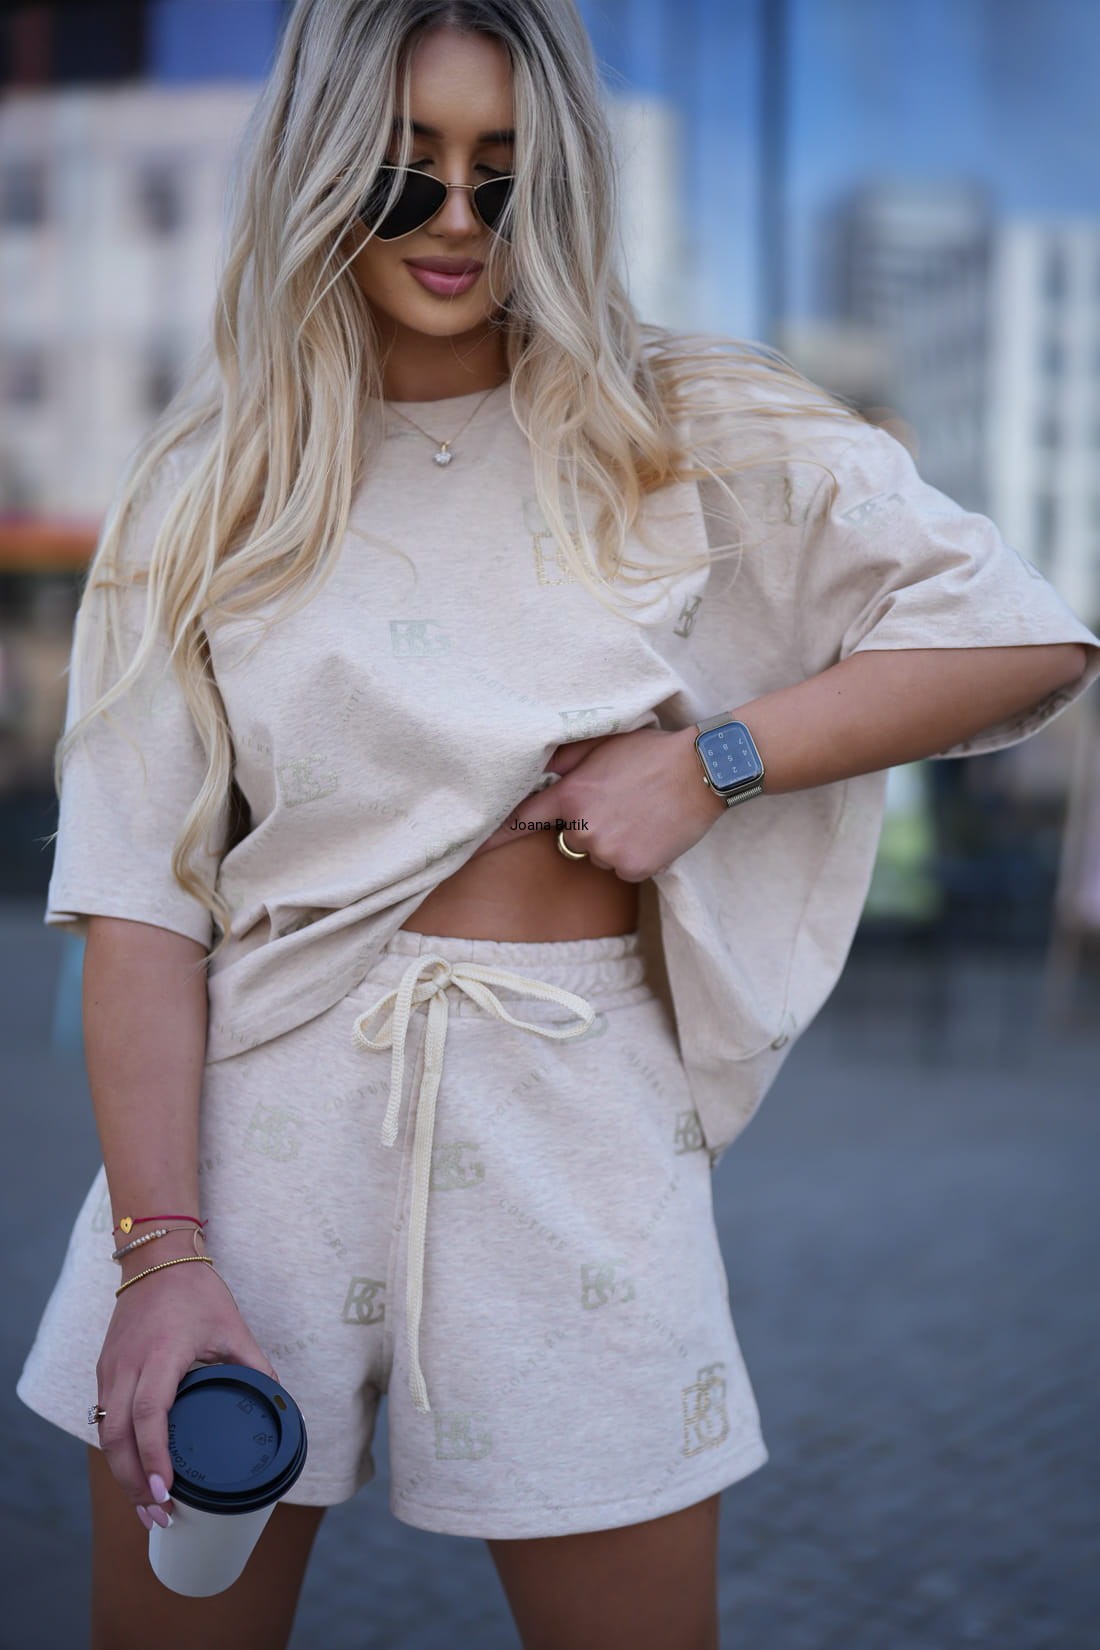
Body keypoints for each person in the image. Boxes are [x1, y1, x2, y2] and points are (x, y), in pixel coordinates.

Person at [16, 3, 1100, 1648]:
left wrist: (714, 761)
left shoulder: (679, 425)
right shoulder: (209, 486)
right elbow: (140, 905)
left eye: (504, 177)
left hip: (575, 1123)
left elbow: (1021, 635)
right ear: (318, 173)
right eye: (406, 173)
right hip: (257, 1122)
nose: (457, 218)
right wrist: (162, 1256)